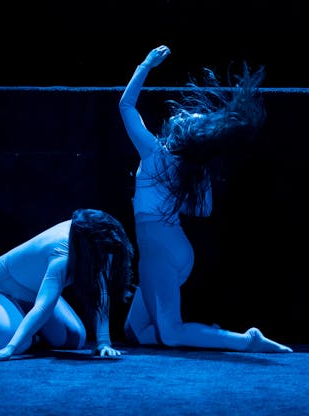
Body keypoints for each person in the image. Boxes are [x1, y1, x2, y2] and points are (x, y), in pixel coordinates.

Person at [119, 44, 292, 353]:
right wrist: (191, 177)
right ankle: (208, 335)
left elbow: (126, 106)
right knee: (134, 331)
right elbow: (204, 209)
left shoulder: (154, 152)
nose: (181, 116)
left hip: (160, 251)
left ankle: (246, 340)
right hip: (170, 250)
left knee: (170, 333)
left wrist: (146, 64)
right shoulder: (185, 168)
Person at [0, 208, 135, 361]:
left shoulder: (91, 237)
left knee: (74, 339)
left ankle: (22, 329)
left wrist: (103, 342)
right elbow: (44, 306)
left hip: (30, 294)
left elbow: (100, 292)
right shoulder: (62, 254)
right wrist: (10, 348)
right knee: (15, 343)